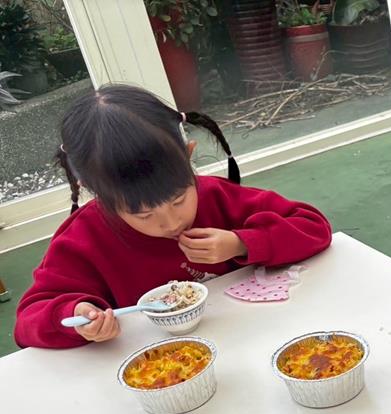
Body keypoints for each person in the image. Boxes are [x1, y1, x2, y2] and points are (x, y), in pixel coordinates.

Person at [15, 84, 333, 349]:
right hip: (159, 364)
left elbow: (313, 227)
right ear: (95, 191)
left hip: (255, 340)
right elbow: (29, 320)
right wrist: (76, 316)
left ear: (188, 155)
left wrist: (241, 243)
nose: (171, 222)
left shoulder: (216, 197)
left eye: (179, 199)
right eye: (142, 214)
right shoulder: (84, 238)